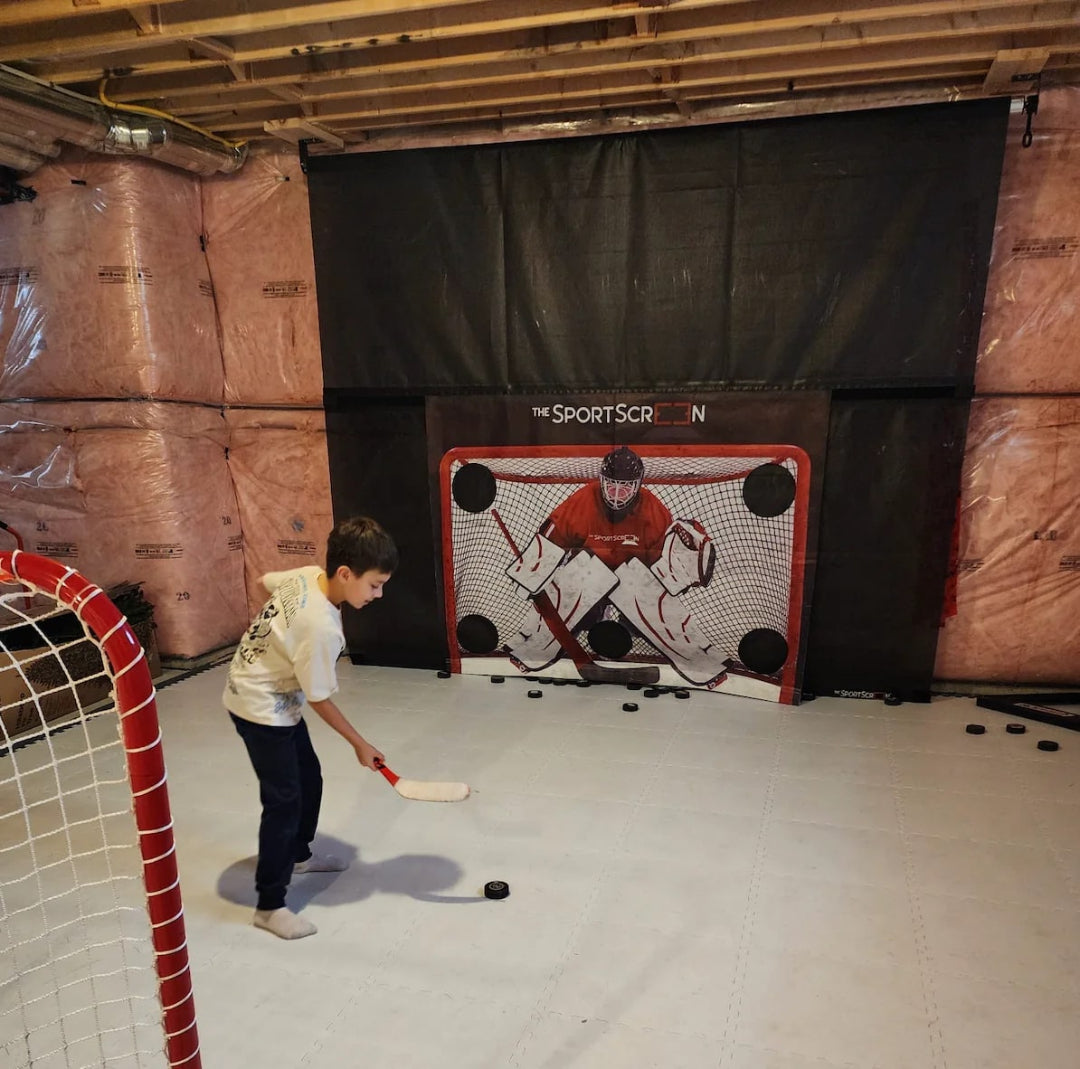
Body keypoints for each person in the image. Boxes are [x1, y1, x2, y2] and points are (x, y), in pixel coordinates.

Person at [224, 515, 398, 940]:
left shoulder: (307, 575)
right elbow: (319, 698)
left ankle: (299, 855)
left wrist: (272, 637)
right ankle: (270, 906)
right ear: (346, 573)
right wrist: (360, 744)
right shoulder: (321, 628)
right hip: (259, 707)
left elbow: (265, 582)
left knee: (309, 778)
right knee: (283, 800)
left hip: (273, 696)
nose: (379, 595)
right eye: (374, 585)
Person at [541, 445, 672, 569]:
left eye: (625, 487)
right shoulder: (583, 501)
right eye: (611, 485)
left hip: (635, 580)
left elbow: (664, 566)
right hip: (586, 577)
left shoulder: (655, 513)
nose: (616, 494)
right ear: (602, 481)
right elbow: (548, 546)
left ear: (637, 485)